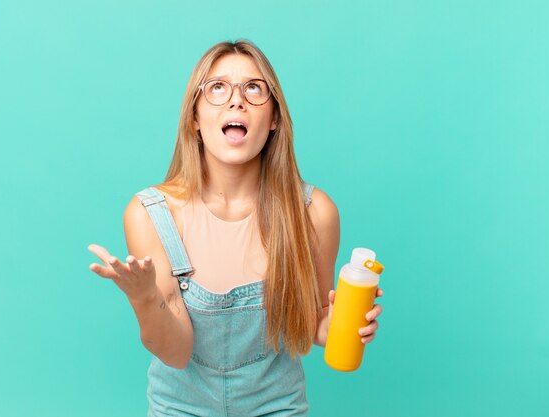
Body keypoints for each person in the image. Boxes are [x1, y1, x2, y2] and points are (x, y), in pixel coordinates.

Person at [87, 39, 384, 416]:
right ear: (194, 117)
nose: (236, 100)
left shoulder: (314, 213)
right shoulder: (150, 213)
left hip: (277, 407)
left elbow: (312, 329)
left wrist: (345, 322)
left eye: (254, 88)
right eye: (217, 88)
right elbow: (176, 353)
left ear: (274, 118)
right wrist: (146, 298)